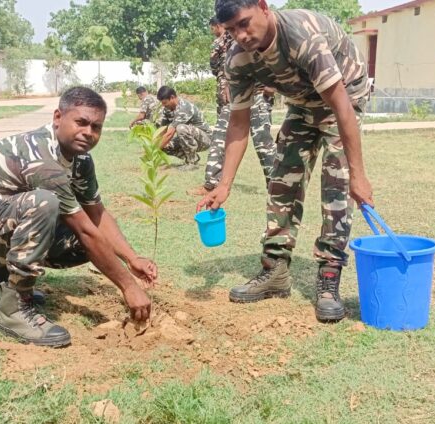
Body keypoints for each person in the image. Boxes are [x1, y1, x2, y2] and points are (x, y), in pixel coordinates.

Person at [0, 87, 157, 347]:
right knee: (45, 204)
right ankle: (14, 310)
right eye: (81, 122)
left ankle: (6, 280)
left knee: (87, 239)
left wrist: (132, 258)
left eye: (96, 126)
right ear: (57, 117)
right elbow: (86, 229)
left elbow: (97, 214)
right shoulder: (40, 157)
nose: (88, 132)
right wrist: (129, 287)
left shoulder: (81, 159)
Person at [199, 0, 375, 322]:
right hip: (303, 102)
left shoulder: (301, 37)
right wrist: (223, 185)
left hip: (345, 95)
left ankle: (329, 276)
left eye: (244, 23)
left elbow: (341, 107)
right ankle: (275, 270)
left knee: (337, 184)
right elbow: (239, 122)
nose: (240, 35)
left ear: (264, 7)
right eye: (231, 29)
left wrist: (358, 175)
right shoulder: (237, 60)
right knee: (283, 180)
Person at [193, 16, 275, 196]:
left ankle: (276, 188)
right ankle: (211, 184)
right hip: (233, 99)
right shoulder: (227, 41)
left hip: (256, 95)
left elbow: (215, 66)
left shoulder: (258, 36)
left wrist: (270, 87)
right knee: (220, 138)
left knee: (263, 143)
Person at [156, 85, 212, 166]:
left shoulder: (185, 108)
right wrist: (155, 144)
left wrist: (154, 149)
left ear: (172, 97)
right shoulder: (167, 109)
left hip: (204, 139)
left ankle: (191, 162)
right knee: (165, 146)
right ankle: (192, 157)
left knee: (180, 128)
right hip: (188, 138)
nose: (164, 105)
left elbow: (170, 133)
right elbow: (162, 130)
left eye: (165, 103)